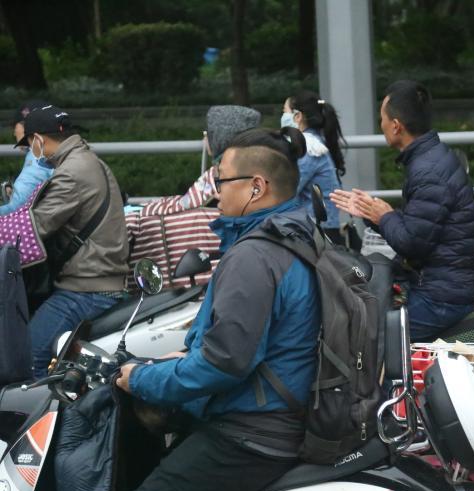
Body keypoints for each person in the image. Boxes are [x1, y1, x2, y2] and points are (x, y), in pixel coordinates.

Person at [108, 127, 320, 491]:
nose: (213, 190)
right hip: (278, 415)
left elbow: (224, 363)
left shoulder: (254, 256)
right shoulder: (299, 233)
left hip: (250, 433)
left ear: (256, 187)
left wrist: (140, 379)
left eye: (220, 179)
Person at [330, 80, 474, 340]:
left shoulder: (427, 171)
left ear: (396, 126)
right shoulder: (430, 158)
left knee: (369, 338)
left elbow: (412, 244)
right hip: (443, 286)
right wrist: (373, 213)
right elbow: (420, 228)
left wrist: (385, 216)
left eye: (382, 119)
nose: (381, 125)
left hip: (441, 300)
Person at [17, 105, 129, 378]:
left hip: (86, 288)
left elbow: (34, 227)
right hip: (96, 279)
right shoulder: (86, 161)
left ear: (38, 139)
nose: (31, 152)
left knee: (27, 355)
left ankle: (40, 406)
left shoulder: (72, 173)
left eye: (29, 145)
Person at [126, 105, 262, 289]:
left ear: (216, 141)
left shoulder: (216, 183)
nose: (204, 139)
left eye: (207, 134)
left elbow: (183, 206)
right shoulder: (259, 187)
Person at [281, 91, 346, 236]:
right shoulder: (316, 142)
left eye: (285, 112)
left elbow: (288, 190)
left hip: (316, 231)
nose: (283, 116)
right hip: (321, 227)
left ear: (298, 116)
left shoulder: (308, 148)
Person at [1, 100, 54, 215]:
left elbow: (16, 208)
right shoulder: (55, 153)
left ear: (27, 127)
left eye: (15, 126)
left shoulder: (38, 159)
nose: (14, 133)